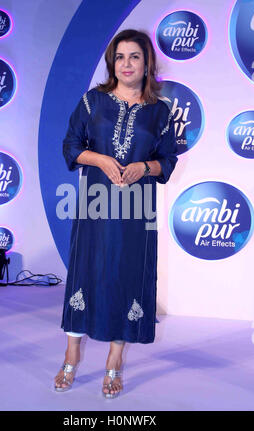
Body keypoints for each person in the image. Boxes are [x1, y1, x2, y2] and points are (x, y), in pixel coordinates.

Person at [54, 29, 178, 398]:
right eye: (120, 56)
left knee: (126, 274)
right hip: (95, 205)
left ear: (147, 63)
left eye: (134, 56)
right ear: (113, 63)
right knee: (87, 271)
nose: (126, 63)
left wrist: (145, 167)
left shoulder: (159, 112)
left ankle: (114, 361)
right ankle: (71, 353)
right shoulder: (93, 102)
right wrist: (100, 158)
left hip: (136, 210)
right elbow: (71, 145)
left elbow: (168, 160)